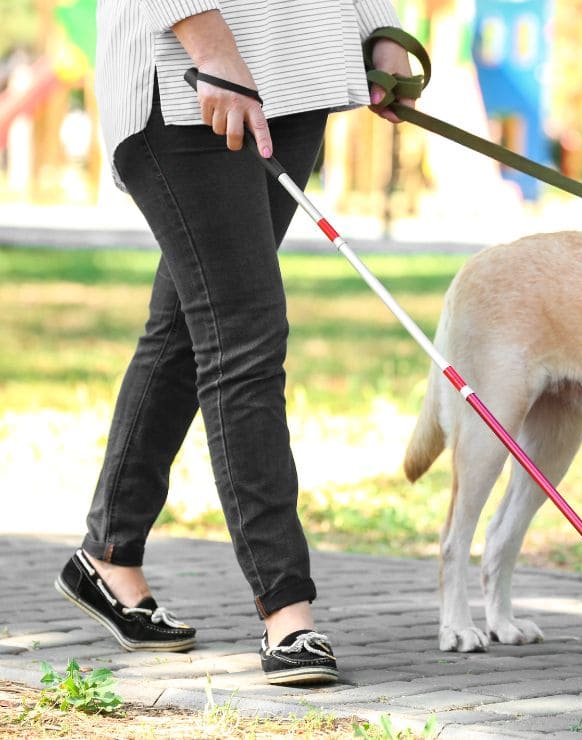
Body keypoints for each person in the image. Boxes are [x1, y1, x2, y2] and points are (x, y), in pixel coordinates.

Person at [55, 0, 415, 686]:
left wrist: (377, 27)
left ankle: (107, 555)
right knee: (245, 333)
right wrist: (208, 42)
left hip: (299, 66)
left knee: (193, 328)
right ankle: (287, 611)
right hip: (190, 70)